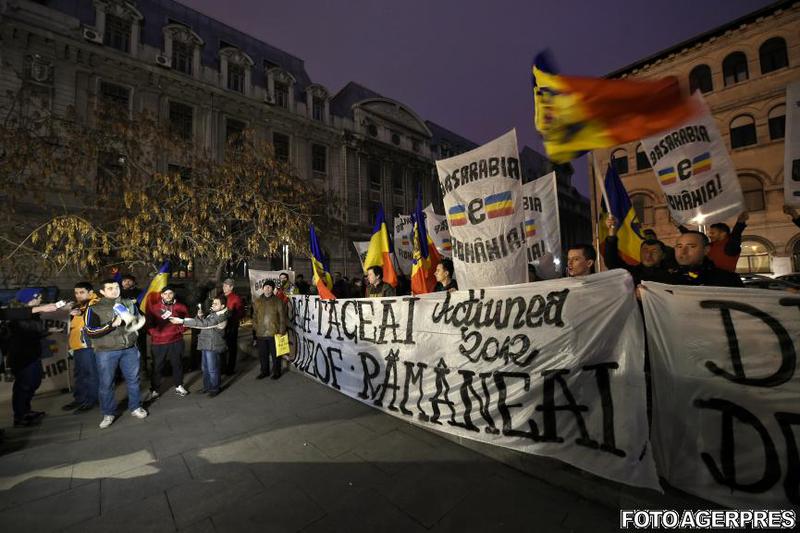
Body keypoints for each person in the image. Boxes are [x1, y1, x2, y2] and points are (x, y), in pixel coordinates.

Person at [84, 279, 148, 429]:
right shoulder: (94, 308)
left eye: (116, 287)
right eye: (110, 288)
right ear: (102, 292)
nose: (114, 290)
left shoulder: (129, 302)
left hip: (129, 349)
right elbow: (90, 331)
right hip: (106, 352)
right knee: (106, 383)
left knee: (133, 380)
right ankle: (108, 413)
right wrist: (111, 325)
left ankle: (135, 407)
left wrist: (135, 320)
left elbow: (139, 319)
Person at [4, 289, 56, 427]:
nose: (40, 299)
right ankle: (20, 416)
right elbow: (28, 331)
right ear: (30, 299)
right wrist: (45, 330)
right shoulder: (17, 315)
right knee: (25, 385)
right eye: (38, 297)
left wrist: (48, 331)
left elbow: (33, 331)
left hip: (31, 354)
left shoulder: (30, 314)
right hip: (22, 356)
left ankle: (26, 411)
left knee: (33, 383)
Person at [170, 294, 228, 397]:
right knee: (205, 368)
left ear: (222, 306)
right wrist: (199, 316)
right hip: (206, 344)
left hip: (213, 345)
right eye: (213, 303)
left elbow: (205, 324)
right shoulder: (213, 313)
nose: (213, 305)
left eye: (216, 303)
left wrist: (182, 321)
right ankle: (207, 387)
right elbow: (202, 322)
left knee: (212, 369)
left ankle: (215, 388)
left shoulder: (221, 316)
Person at [145, 286, 189, 400]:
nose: (168, 296)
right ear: (161, 295)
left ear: (174, 294)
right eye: (165, 293)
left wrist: (179, 330)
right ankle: (155, 389)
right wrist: (155, 334)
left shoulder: (181, 307)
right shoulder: (154, 307)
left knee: (177, 364)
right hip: (158, 342)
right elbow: (149, 324)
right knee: (157, 366)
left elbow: (186, 321)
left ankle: (179, 385)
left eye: (170, 293)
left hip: (176, 340)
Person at [62, 282, 99, 413]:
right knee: (79, 374)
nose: (78, 295)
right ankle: (80, 399)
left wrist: (79, 313)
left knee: (90, 374)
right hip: (77, 345)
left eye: (81, 292)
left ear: (90, 292)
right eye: (76, 293)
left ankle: (91, 400)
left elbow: (92, 319)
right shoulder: (80, 304)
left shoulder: (95, 303)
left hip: (88, 345)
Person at [604, 215, 671, 285]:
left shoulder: (672, 277)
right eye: (645, 250)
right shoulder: (630, 273)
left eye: (654, 251)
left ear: (663, 255)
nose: (648, 255)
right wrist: (612, 234)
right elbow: (612, 262)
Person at [667, 231, 744, 287]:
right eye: (679, 246)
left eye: (692, 246)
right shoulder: (665, 279)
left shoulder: (728, 280)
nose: (683, 251)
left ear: (706, 250)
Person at [678, 212, 748, 272]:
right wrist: (679, 226)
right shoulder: (710, 246)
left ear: (723, 233)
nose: (710, 235)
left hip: (723, 281)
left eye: (713, 233)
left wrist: (740, 222)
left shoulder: (730, 247)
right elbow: (694, 237)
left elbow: (736, 235)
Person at [252, 280, 288, 380]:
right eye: (265, 287)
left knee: (276, 355)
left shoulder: (278, 301)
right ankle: (264, 371)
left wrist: (281, 331)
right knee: (263, 355)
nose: (267, 288)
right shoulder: (257, 301)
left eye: (269, 287)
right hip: (261, 333)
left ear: (273, 289)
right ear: (262, 288)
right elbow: (254, 316)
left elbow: (282, 317)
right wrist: (256, 327)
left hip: (274, 332)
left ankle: (277, 372)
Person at [221, 278, 244, 375]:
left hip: (231, 326)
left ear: (231, 287)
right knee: (221, 347)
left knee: (231, 347)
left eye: (226, 286)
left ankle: (230, 368)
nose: (224, 287)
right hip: (221, 326)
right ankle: (222, 367)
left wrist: (232, 315)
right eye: (223, 285)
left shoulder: (236, 298)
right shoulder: (221, 296)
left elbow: (240, 313)